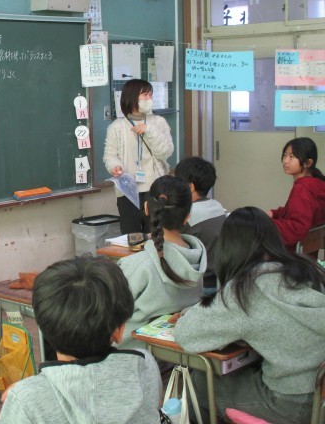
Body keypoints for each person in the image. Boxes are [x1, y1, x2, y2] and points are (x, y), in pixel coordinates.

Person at [174, 207, 325, 424]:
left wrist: (189, 312)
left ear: (229, 248)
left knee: (201, 380)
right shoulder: (308, 269)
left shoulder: (245, 289)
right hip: (320, 397)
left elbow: (186, 335)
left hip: (289, 404)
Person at [0, 256, 162, 424]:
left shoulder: (26, 401)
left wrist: (27, 393)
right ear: (119, 331)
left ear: (43, 325)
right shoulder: (144, 365)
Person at [116, 175, 207, 349]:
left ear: (146, 208)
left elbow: (108, 314)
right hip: (177, 354)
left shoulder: (136, 265)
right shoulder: (198, 256)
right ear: (187, 217)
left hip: (134, 352)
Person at [103, 79, 174, 234]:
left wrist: (149, 130)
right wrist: (115, 166)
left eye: (150, 95)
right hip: (128, 191)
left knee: (155, 234)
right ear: (132, 97)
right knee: (132, 237)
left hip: (155, 189)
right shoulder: (117, 126)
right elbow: (110, 155)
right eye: (145, 95)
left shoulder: (159, 122)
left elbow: (166, 152)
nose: (149, 98)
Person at [174, 156, 227, 292]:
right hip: (219, 281)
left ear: (191, 187)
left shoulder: (188, 214)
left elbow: (170, 248)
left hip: (198, 286)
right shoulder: (217, 205)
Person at [266, 137, 325, 250]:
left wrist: (263, 223)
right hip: (307, 257)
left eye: (291, 157)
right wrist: (274, 213)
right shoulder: (316, 184)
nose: (285, 161)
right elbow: (299, 211)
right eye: (285, 155)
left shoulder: (303, 188)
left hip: (290, 255)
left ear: (308, 163)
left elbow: (297, 228)